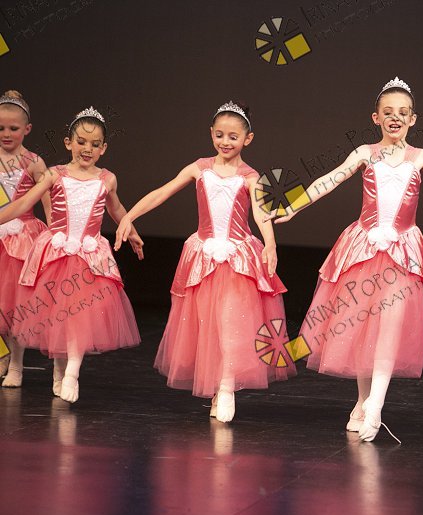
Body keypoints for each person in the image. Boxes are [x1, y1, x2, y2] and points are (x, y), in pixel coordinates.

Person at [272, 77, 423, 441]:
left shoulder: (421, 158)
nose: (395, 117)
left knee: (389, 328)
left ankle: (376, 405)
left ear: (413, 119)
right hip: (363, 249)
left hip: (403, 253)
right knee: (362, 327)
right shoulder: (364, 154)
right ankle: (362, 400)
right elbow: (329, 179)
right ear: (376, 118)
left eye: (403, 112)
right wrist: (293, 207)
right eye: (388, 112)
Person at [115, 101, 293, 423]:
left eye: (233, 137)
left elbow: (261, 213)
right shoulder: (199, 167)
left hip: (237, 260)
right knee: (208, 326)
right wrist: (130, 216)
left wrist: (270, 243)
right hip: (204, 258)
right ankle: (217, 386)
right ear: (211, 133)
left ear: (248, 139)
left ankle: (226, 388)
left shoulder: (250, 177)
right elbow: (163, 192)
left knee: (231, 324)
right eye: (220, 135)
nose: (226, 142)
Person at [0, 106, 143, 402]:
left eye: (94, 144)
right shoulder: (55, 174)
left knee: (78, 318)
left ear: (103, 148)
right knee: (58, 319)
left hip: (90, 257)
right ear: (68, 143)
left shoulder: (107, 179)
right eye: (81, 142)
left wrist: (131, 231)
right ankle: (59, 371)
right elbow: (24, 202)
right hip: (56, 254)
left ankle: (72, 374)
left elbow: (116, 209)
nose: (87, 149)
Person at [0, 90, 50, 387]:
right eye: (1, 128)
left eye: (13, 128)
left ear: (27, 129)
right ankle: (2, 355)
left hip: (21, 242)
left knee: (17, 307)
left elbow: (48, 203)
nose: (6, 134)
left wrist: (56, 234)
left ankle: (17, 365)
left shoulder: (33, 162)